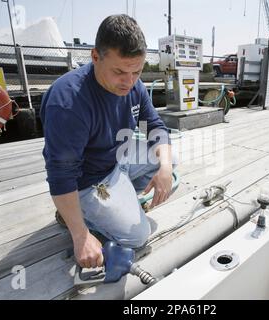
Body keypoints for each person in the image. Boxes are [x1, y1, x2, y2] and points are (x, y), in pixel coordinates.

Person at [40, 14, 173, 270]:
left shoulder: (135, 86)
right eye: (119, 71)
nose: (129, 81)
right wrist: (80, 236)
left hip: (117, 158)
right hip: (88, 180)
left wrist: (165, 169)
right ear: (95, 57)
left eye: (137, 71)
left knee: (169, 160)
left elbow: (156, 127)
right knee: (137, 236)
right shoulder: (68, 102)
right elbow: (61, 175)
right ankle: (76, 215)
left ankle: (119, 198)